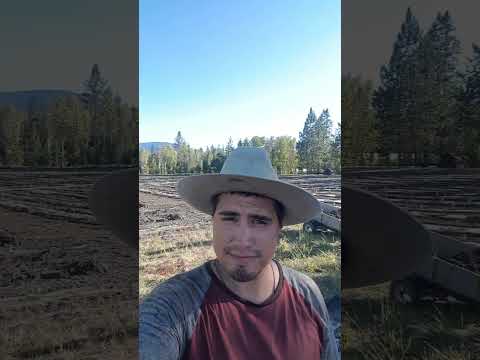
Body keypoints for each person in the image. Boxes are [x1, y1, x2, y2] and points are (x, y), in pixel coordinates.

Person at [139, 147, 339, 360]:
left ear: (278, 230)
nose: (243, 240)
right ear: (213, 221)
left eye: (260, 221)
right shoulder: (172, 307)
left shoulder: (307, 294)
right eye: (230, 218)